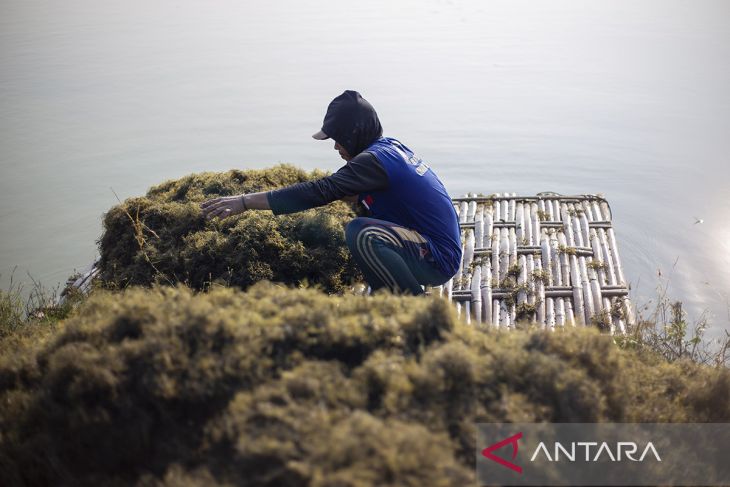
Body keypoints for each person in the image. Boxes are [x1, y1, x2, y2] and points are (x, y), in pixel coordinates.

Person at [200, 90, 462, 295]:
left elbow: (320, 190)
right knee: (361, 213)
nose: (336, 146)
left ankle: (413, 306)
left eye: (338, 138)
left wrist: (245, 202)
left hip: (438, 258)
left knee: (362, 233)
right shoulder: (388, 147)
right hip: (432, 247)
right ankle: (390, 293)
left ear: (354, 134)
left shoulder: (373, 161)